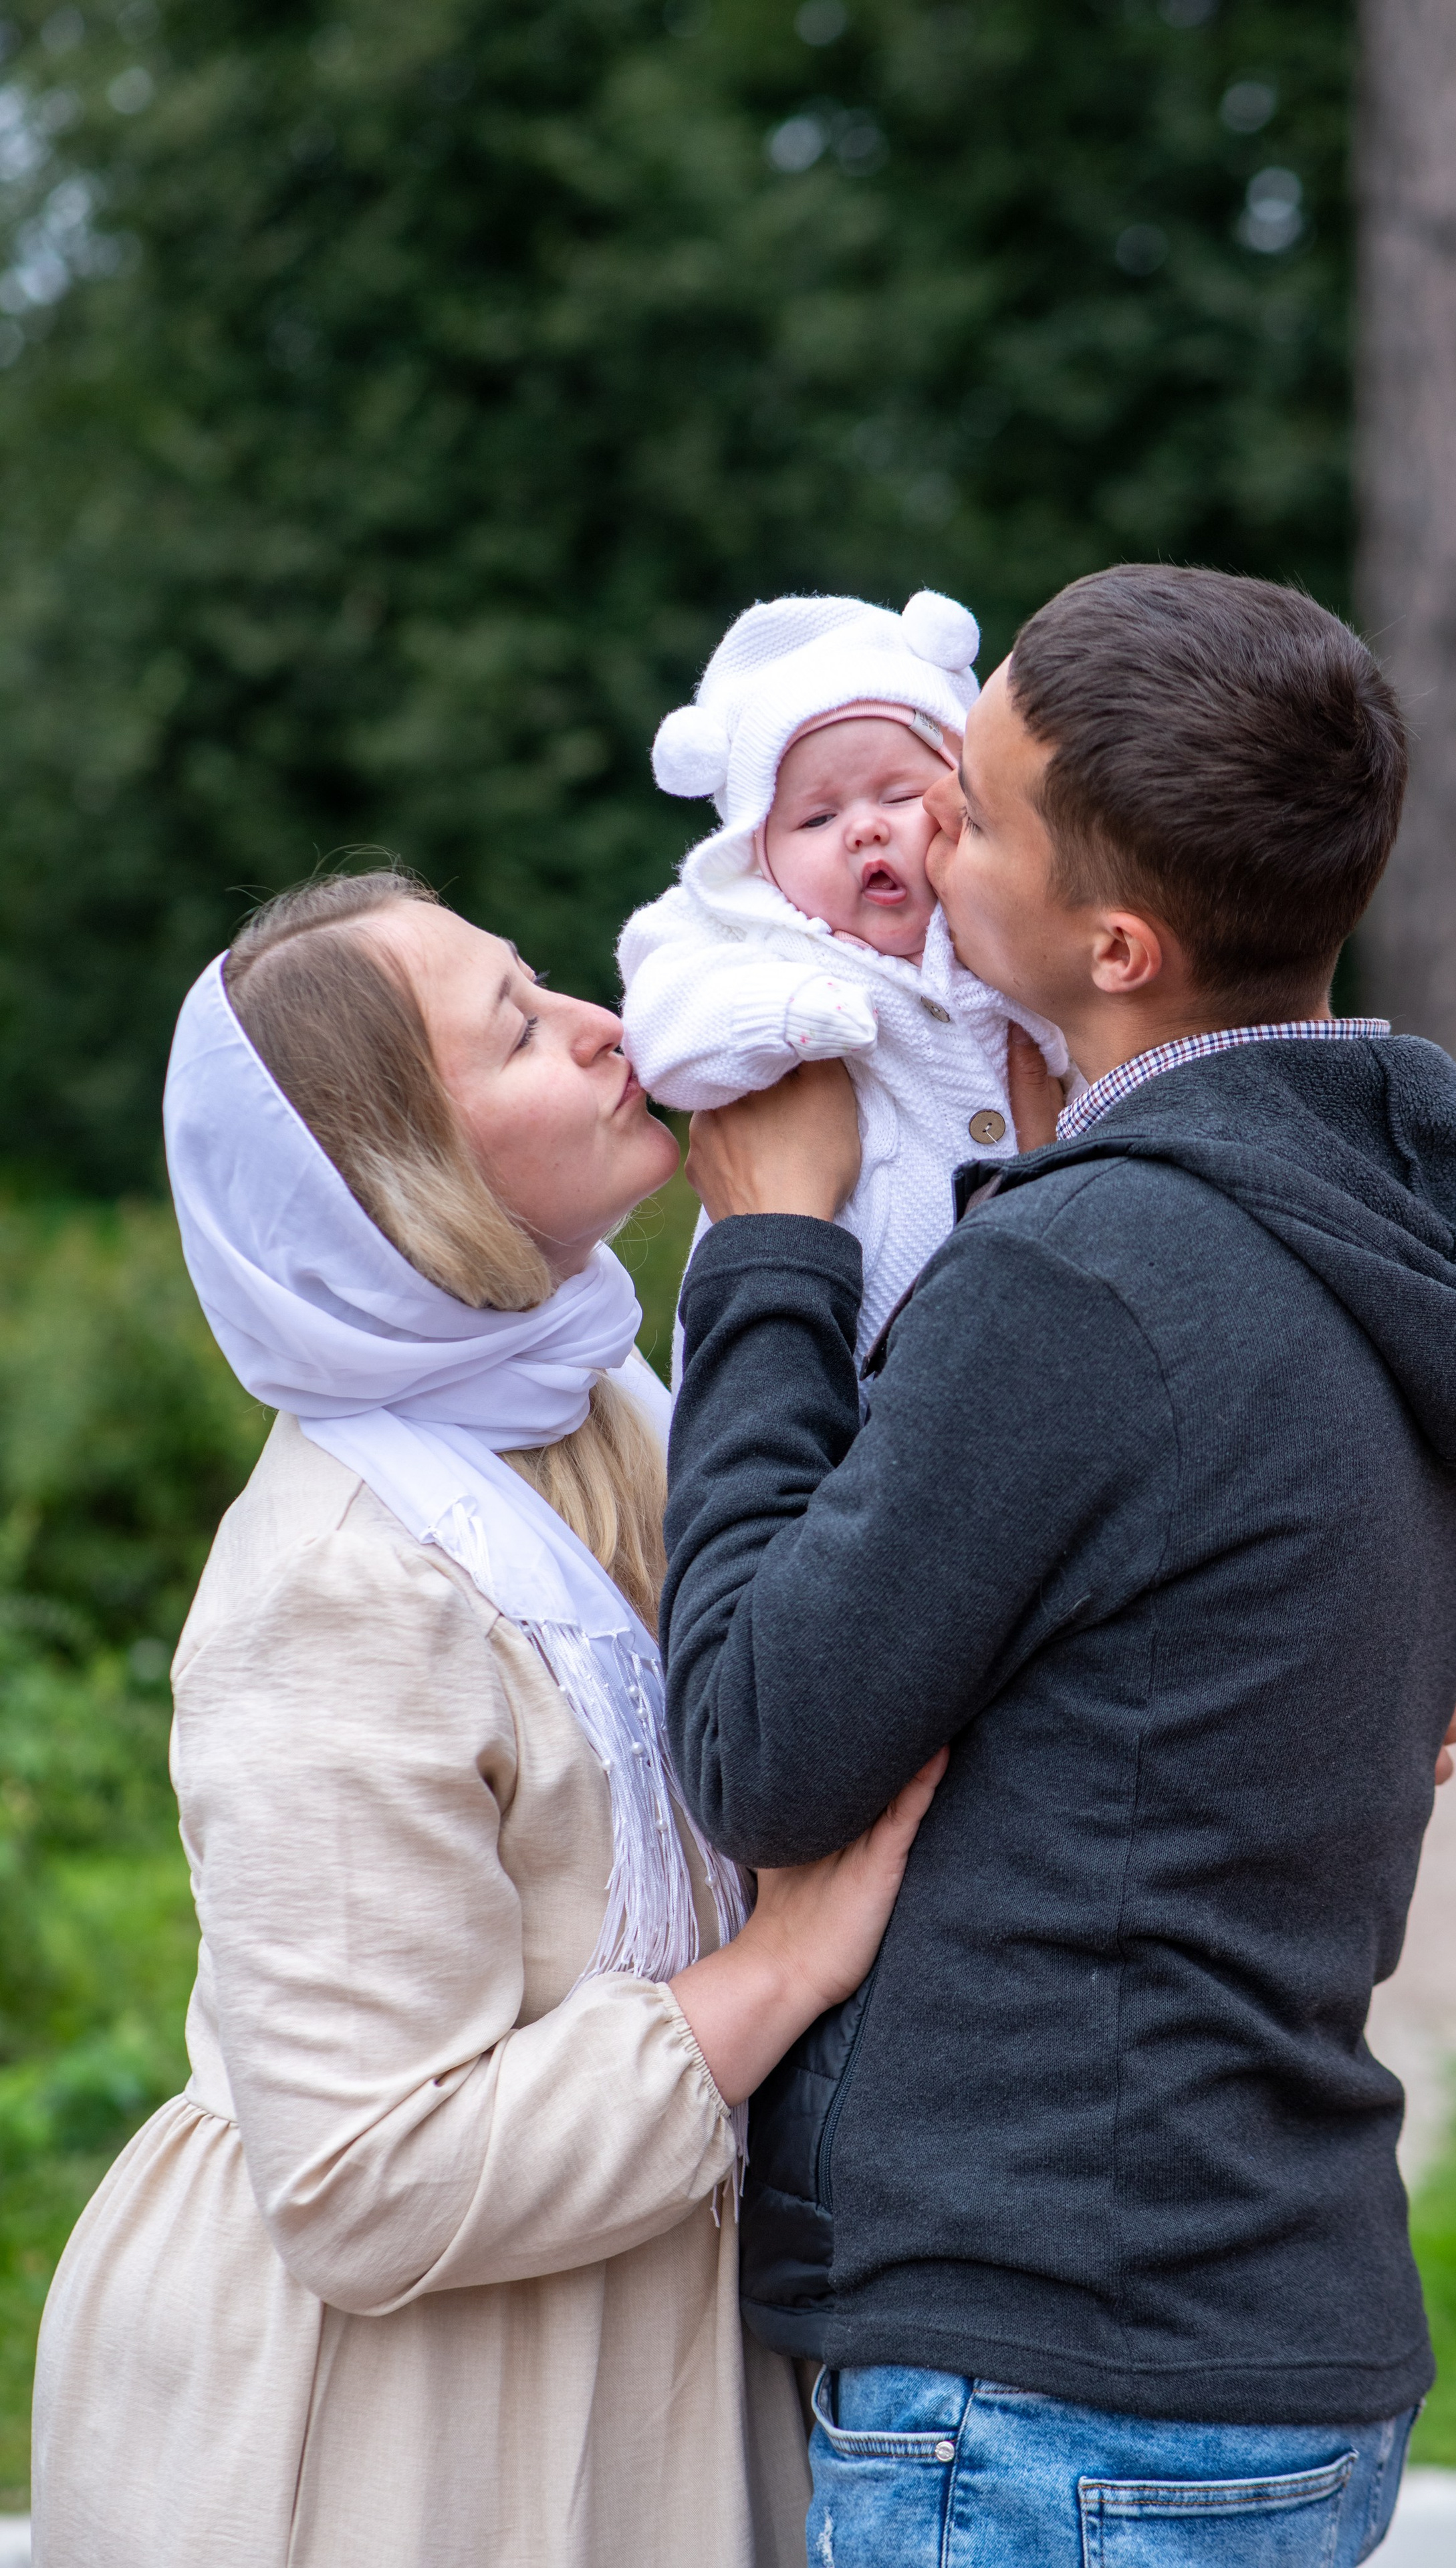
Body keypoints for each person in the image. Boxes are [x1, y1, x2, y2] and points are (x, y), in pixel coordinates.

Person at [660, 566, 1456, 2567]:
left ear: (1116, 939)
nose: (914, 827)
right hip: (1273, 2320)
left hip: (1046, 2376)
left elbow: (753, 1741)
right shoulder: (1419, 1234)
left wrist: (770, 1247)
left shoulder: (1089, 1279)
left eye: (971, 810)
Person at [30, 869, 945, 2568]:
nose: (605, 1026)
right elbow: (363, 2179)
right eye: (517, 1027)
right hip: (407, 2433)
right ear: (400, 1176)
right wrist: (774, 1969)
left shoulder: (603, 1405)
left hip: (629, 2351)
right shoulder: (336, 1582)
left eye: (544, 984)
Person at [620, 588, 1073, 1360]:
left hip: (1034, 1311)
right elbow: (663, 1033)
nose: (865, 828)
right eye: (816, 819)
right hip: (824, 1321)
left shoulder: (1012, 908)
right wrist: (782, 1013)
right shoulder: (745, 930)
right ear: (756, 852)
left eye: (898, 795)